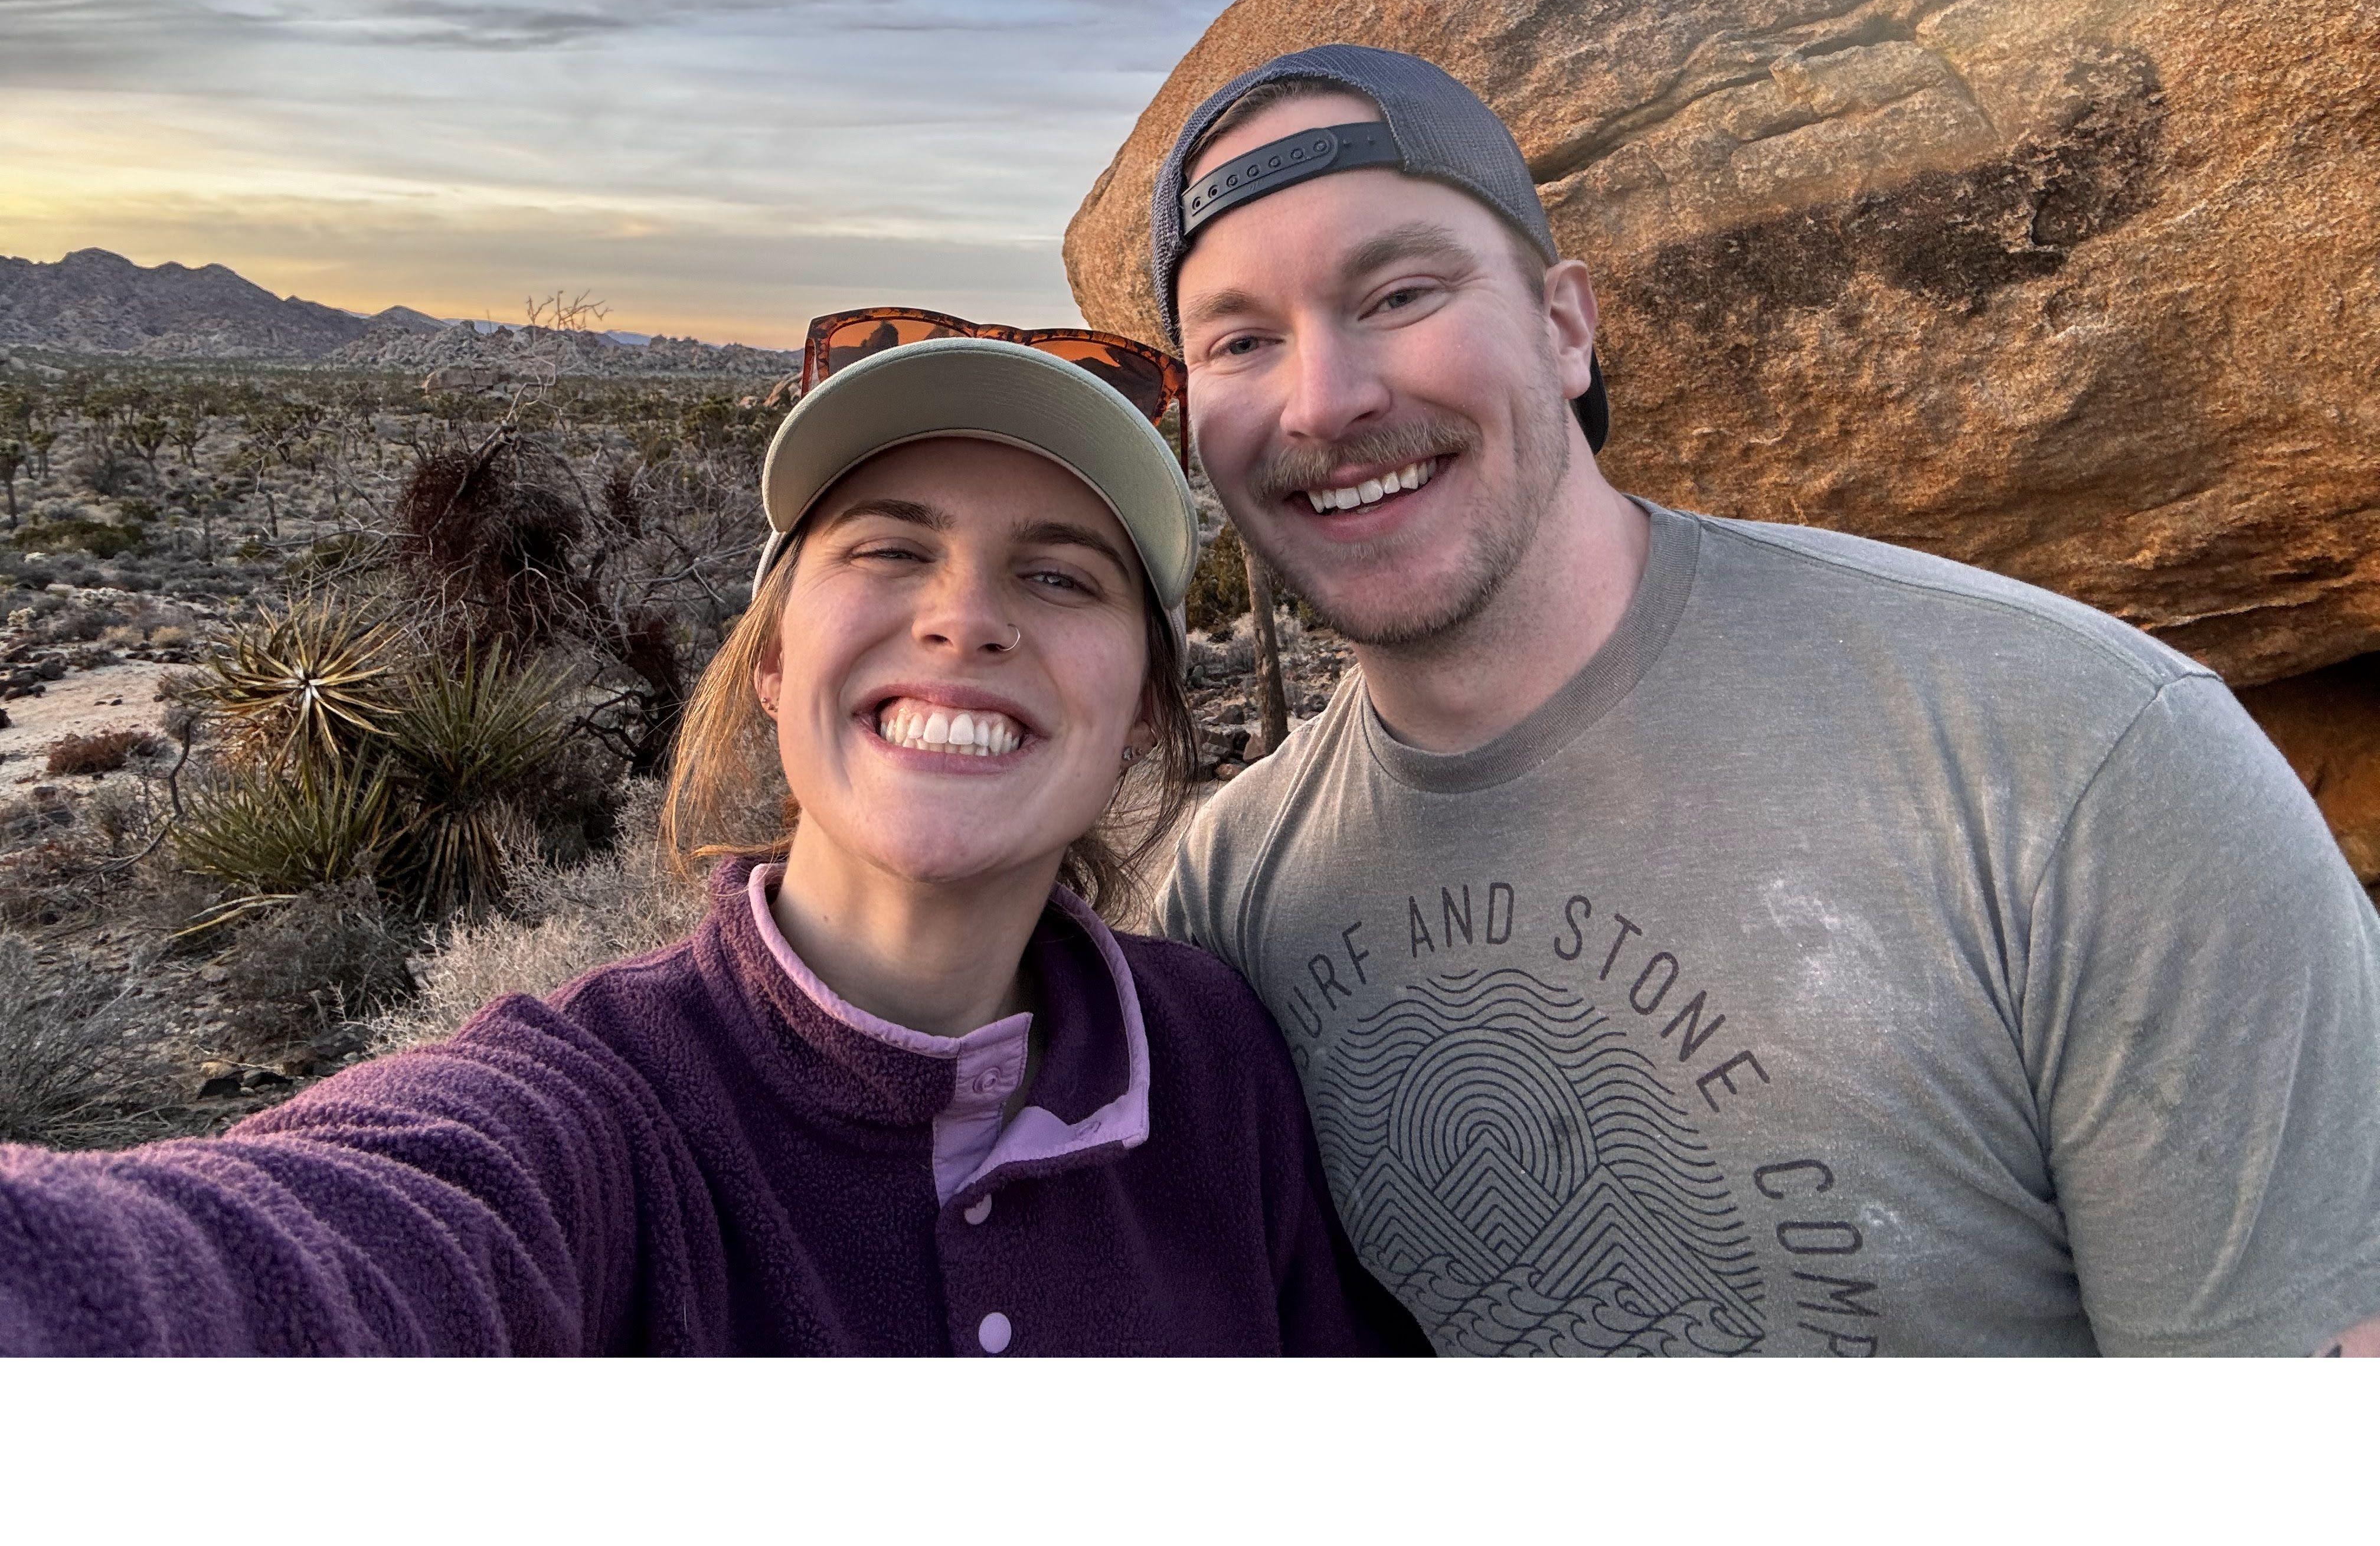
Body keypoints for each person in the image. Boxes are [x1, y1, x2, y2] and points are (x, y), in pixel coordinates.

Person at [1153, 43, 2380, 1357]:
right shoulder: (1236, 895)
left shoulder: (2083, 764)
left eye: (1397, 292)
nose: (1325, 399)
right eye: (1242, 340)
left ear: (1566, 326)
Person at [0, 310, 1427, 1357]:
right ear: (769, 661)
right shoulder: (598, 1121)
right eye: (887, 549)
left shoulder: (1215, 1066)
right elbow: (280, 1264)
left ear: (1142, 718)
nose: (965, 616)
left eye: (1059, 577)